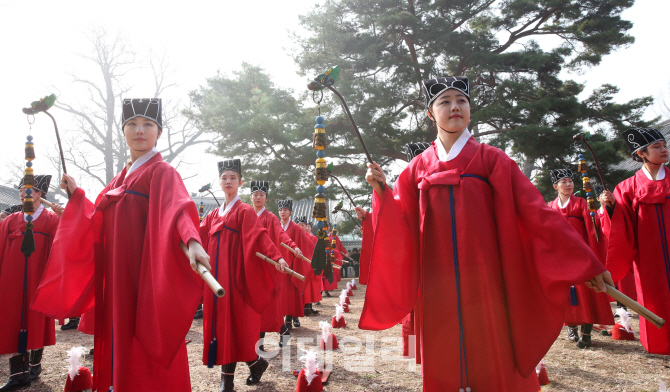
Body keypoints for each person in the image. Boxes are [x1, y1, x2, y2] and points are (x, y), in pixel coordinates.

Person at [359, 77, 613, 391]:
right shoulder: (416, 169)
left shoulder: (492, 159)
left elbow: (536, 211)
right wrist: (382, 190)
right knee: (445, 356)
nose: (455, 107)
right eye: (445, 101)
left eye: (462, 101)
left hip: (487, 280)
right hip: (437, 284)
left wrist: (583, 262)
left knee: (494, 356)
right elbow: (401, 222)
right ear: (429, 113)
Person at [32, 98, 211, 392]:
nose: (139, 130)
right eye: (132, 124)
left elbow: (177, 207)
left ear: (159, 132)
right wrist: (77, 196)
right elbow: (99, 219)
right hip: (117, 278)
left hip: (143, 277)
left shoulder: (161, 171)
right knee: (120, 342)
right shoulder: (120, 178)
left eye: (148, 125)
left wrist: (191, 241)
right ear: (123, 130)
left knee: (143, 342)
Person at [199, 160, 289, 392]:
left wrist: (277, 257)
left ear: (239, 183)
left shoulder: (244, 210)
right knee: (222, 326)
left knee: (234, 325)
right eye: (224, 178)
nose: (228, 181)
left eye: (233, 178)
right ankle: (256, 363)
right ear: (220, 182)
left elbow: (260, 237)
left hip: (235, 278)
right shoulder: (213, 215)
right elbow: (197, 234)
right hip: (214, 279)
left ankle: (227, 381)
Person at [602, 128, 670, 355]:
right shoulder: (627, 188)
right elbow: (621, 227)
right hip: (649, 258)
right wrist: (611, 208)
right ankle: (660, 346)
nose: (663, 150)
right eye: (656, 147)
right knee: (654, 298)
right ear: (642, 153)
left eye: (664, 145)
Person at [0, 176, 63, 391]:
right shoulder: (10, 220)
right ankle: (18, 375)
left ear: (39, 194)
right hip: (12, 282)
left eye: (28, 190)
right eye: (20, 190)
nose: (22, 194)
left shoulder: (51, 220)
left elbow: (60, 248)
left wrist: (67, 217)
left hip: (39, 279)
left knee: (36, 321)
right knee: (13, 321)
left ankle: (34, 368)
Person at [547, 169, 614, 348]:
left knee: (587, 293)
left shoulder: (582, 203)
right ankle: (571, 328)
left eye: (570, 181)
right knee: (565, 295)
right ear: (555, 186)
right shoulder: (550, 207)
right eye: (564, 182)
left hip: (581, 257)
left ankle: (586, 333)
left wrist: (591, 257)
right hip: (561, 259)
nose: (569, 184)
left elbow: (594, 230)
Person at [249, 181, 302, 351]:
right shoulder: (247, 215)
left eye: (261, 195)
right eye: (255, 194)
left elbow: (281, 234)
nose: (258, 197)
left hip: (267, 265)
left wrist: (293, 246)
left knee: (267, 304)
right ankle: (282, 331)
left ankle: (267, 339)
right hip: (251, 266)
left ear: (266, 198)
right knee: (255, 305)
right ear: (251, 197)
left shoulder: (270, 217)